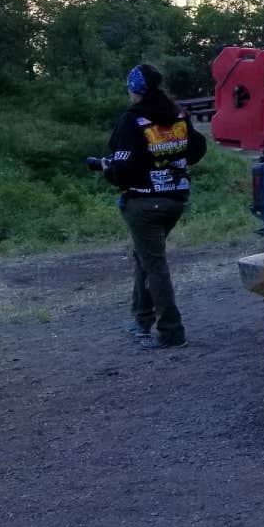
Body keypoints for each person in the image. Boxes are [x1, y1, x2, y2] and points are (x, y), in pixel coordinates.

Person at [100, 64, 207, 348]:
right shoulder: (178, 114)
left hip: (144, 204)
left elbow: (122, 167)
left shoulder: (132, 120)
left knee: (155, 265)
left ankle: (172, 331)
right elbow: (197, 150)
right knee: (145, 258)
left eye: (130, 88)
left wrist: (106, 169)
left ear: (136, 90)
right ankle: (141, 319)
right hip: (175, 199)